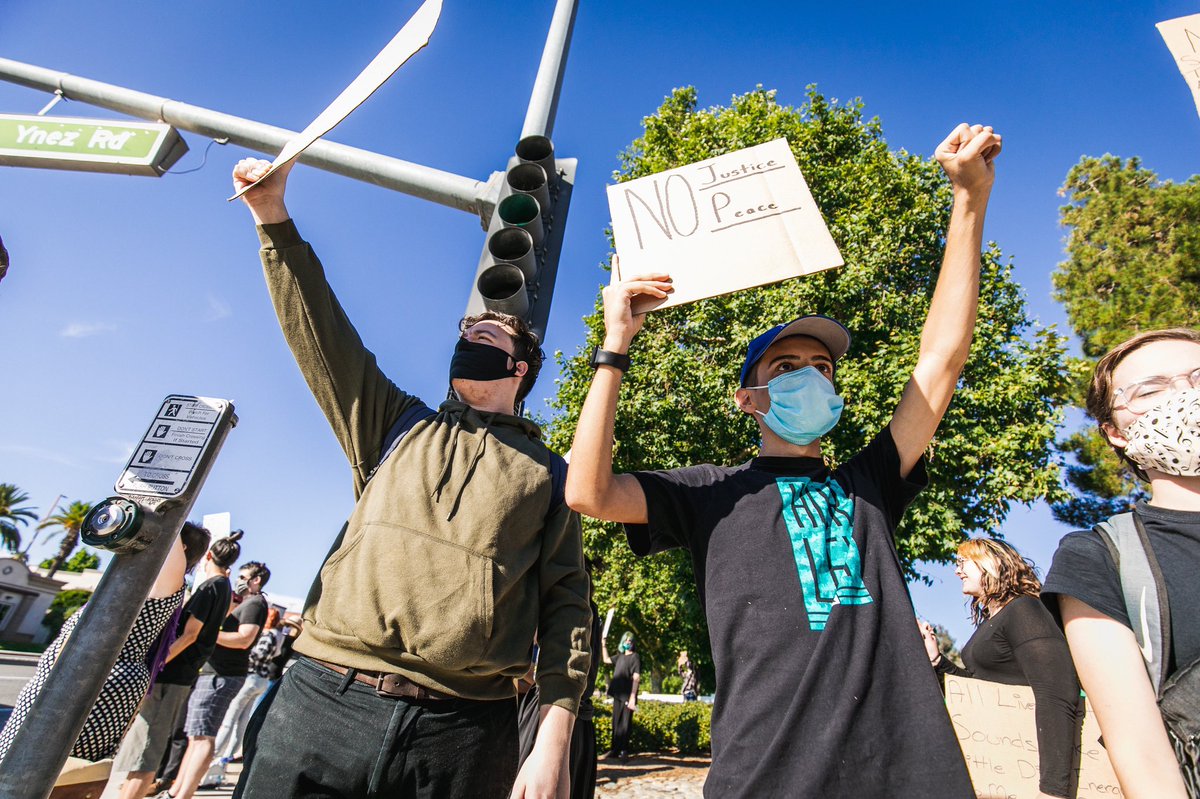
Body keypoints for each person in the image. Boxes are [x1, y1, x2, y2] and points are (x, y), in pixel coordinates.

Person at [566, 122, 1001, 798]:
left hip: (909, 778)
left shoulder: (870, 482)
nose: (810, 375)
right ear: (749, 397)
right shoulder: (711, 491)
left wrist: (969, 201)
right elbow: (587, 491)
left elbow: (940, 360)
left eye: (822, 366)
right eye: (787, 365)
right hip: (762, 780)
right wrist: (615, 346)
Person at [229, 157, 591, 799]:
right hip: (321, 696)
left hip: (464, 725)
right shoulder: (394, 424)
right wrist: (273, 220)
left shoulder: (550, 474)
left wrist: (552, 740)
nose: (469, 339)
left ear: (522, 369)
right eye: (465, 334)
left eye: (486, 335)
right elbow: (322, 335)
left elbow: (568, 608)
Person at [1042, 328, 1200, 798]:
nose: (1186, 395)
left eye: (1198, 377)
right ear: (1114, 432)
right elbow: (1142, 753)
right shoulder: (1101, 557)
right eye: (1150, 389)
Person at [0, 523, 211, 765]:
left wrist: (167, 500)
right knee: (13, 760)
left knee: (48, 767)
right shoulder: (131, 578)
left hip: (99, 686)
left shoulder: (165, 586)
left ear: (181, 548)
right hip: (66, 681)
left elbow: (169, 532)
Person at [920, 539, 1081, 799]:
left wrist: (1053, 790)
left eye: (963, 562)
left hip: (1033, 773)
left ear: (992, 563)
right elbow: (980, 692)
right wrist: (938, 661)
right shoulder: (993, 621)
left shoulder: (1025, 609)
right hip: (1003, 769)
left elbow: (1056, 692)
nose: (956, 570)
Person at [114, 532, 240, 799]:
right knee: (147, 745)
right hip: (183, 673)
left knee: (146, 747)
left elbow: (190, 634)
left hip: (173, 674)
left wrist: (156, 665)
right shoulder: (223, 588)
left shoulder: (210, 588)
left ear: (208, 556)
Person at [162, 560, 269, 799]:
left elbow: (244, 639)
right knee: (196, 736)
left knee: (203, 737)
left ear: (256, 580)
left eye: (243, 577)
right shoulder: (244, 602)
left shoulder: (254, 604)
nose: (239, 581)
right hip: (214, 673)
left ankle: (184, 793)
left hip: (223, 675)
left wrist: (209, 633)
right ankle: (176, 790)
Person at [602, 632, 640, 762]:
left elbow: (636, 677)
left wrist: (633, 697)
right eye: (626, 641)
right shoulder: (619, 657)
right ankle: (614, 750)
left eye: (630, 641)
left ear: (633, 643)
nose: (628, 643)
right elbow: (606, 660)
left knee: (625, 724)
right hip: (617, 694)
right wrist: (603, 646)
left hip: (628, 696)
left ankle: (624, 750)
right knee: (615, 722)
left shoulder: (635, 657)